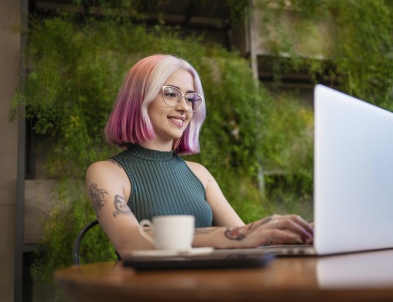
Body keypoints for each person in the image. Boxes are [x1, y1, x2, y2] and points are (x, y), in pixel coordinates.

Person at [86, 54, 314, 258]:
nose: (184, 107)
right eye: (171, 94)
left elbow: (247, 241)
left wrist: (297, 233)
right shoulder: (106, 172)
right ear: (139, 98)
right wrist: (240, 234)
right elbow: (129, 242)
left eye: (190, 98)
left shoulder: (199, 173)